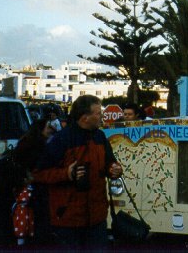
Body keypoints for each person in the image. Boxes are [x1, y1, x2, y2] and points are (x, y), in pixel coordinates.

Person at [33, 95, 123, 248]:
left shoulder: (100, 137)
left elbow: (110, 162)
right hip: (68, 221)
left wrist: (115, 169)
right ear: (85, 117)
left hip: (97, 219)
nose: (102, 116)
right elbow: (38, 174)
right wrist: (66, 174)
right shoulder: (61, 139)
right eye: (98, 113)